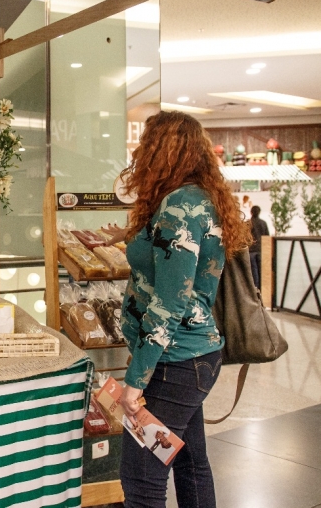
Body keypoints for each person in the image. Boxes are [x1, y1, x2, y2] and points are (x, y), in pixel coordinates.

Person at [116, 111, 251, 508]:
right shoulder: (196, 199)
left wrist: (136, 379)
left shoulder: (181, 206)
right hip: (191, 356)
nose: (141, 154)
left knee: (142, 477)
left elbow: (170, 302)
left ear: (163, 150)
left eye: (147, 145)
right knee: (191, 463)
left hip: (174, 361)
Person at [249, 205, 269, 289]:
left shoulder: (248, 223)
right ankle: (262, 288)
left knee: (254, 270)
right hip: (261, 249)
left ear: (251, 212)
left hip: (251, 250)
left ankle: (256, 288)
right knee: (261, 270)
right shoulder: (263, 223)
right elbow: (267, 236)